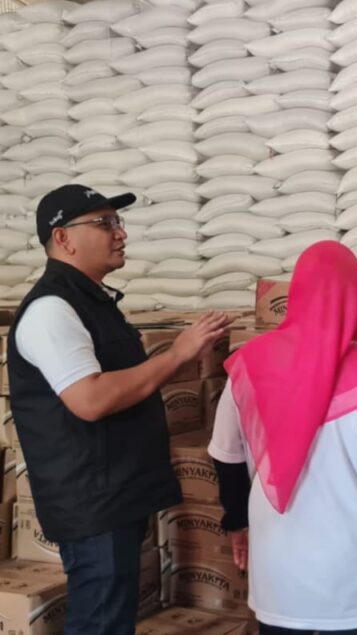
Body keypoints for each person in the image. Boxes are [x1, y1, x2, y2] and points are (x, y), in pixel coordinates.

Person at [6, 184, 231, 634]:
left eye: (117, 222)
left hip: (114, 494)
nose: (120, 233)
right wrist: (179, 354)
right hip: (92, 503)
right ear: (63, 238)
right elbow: (91, 400)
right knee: (101, 623)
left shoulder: (93, 302)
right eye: (104, 223)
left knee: (112, 619)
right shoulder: (52, 310)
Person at [208, 241, 357, 635]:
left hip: (276, 566)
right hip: (351, 572)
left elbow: (228, 459)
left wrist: (237, 523)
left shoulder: (249, 365)